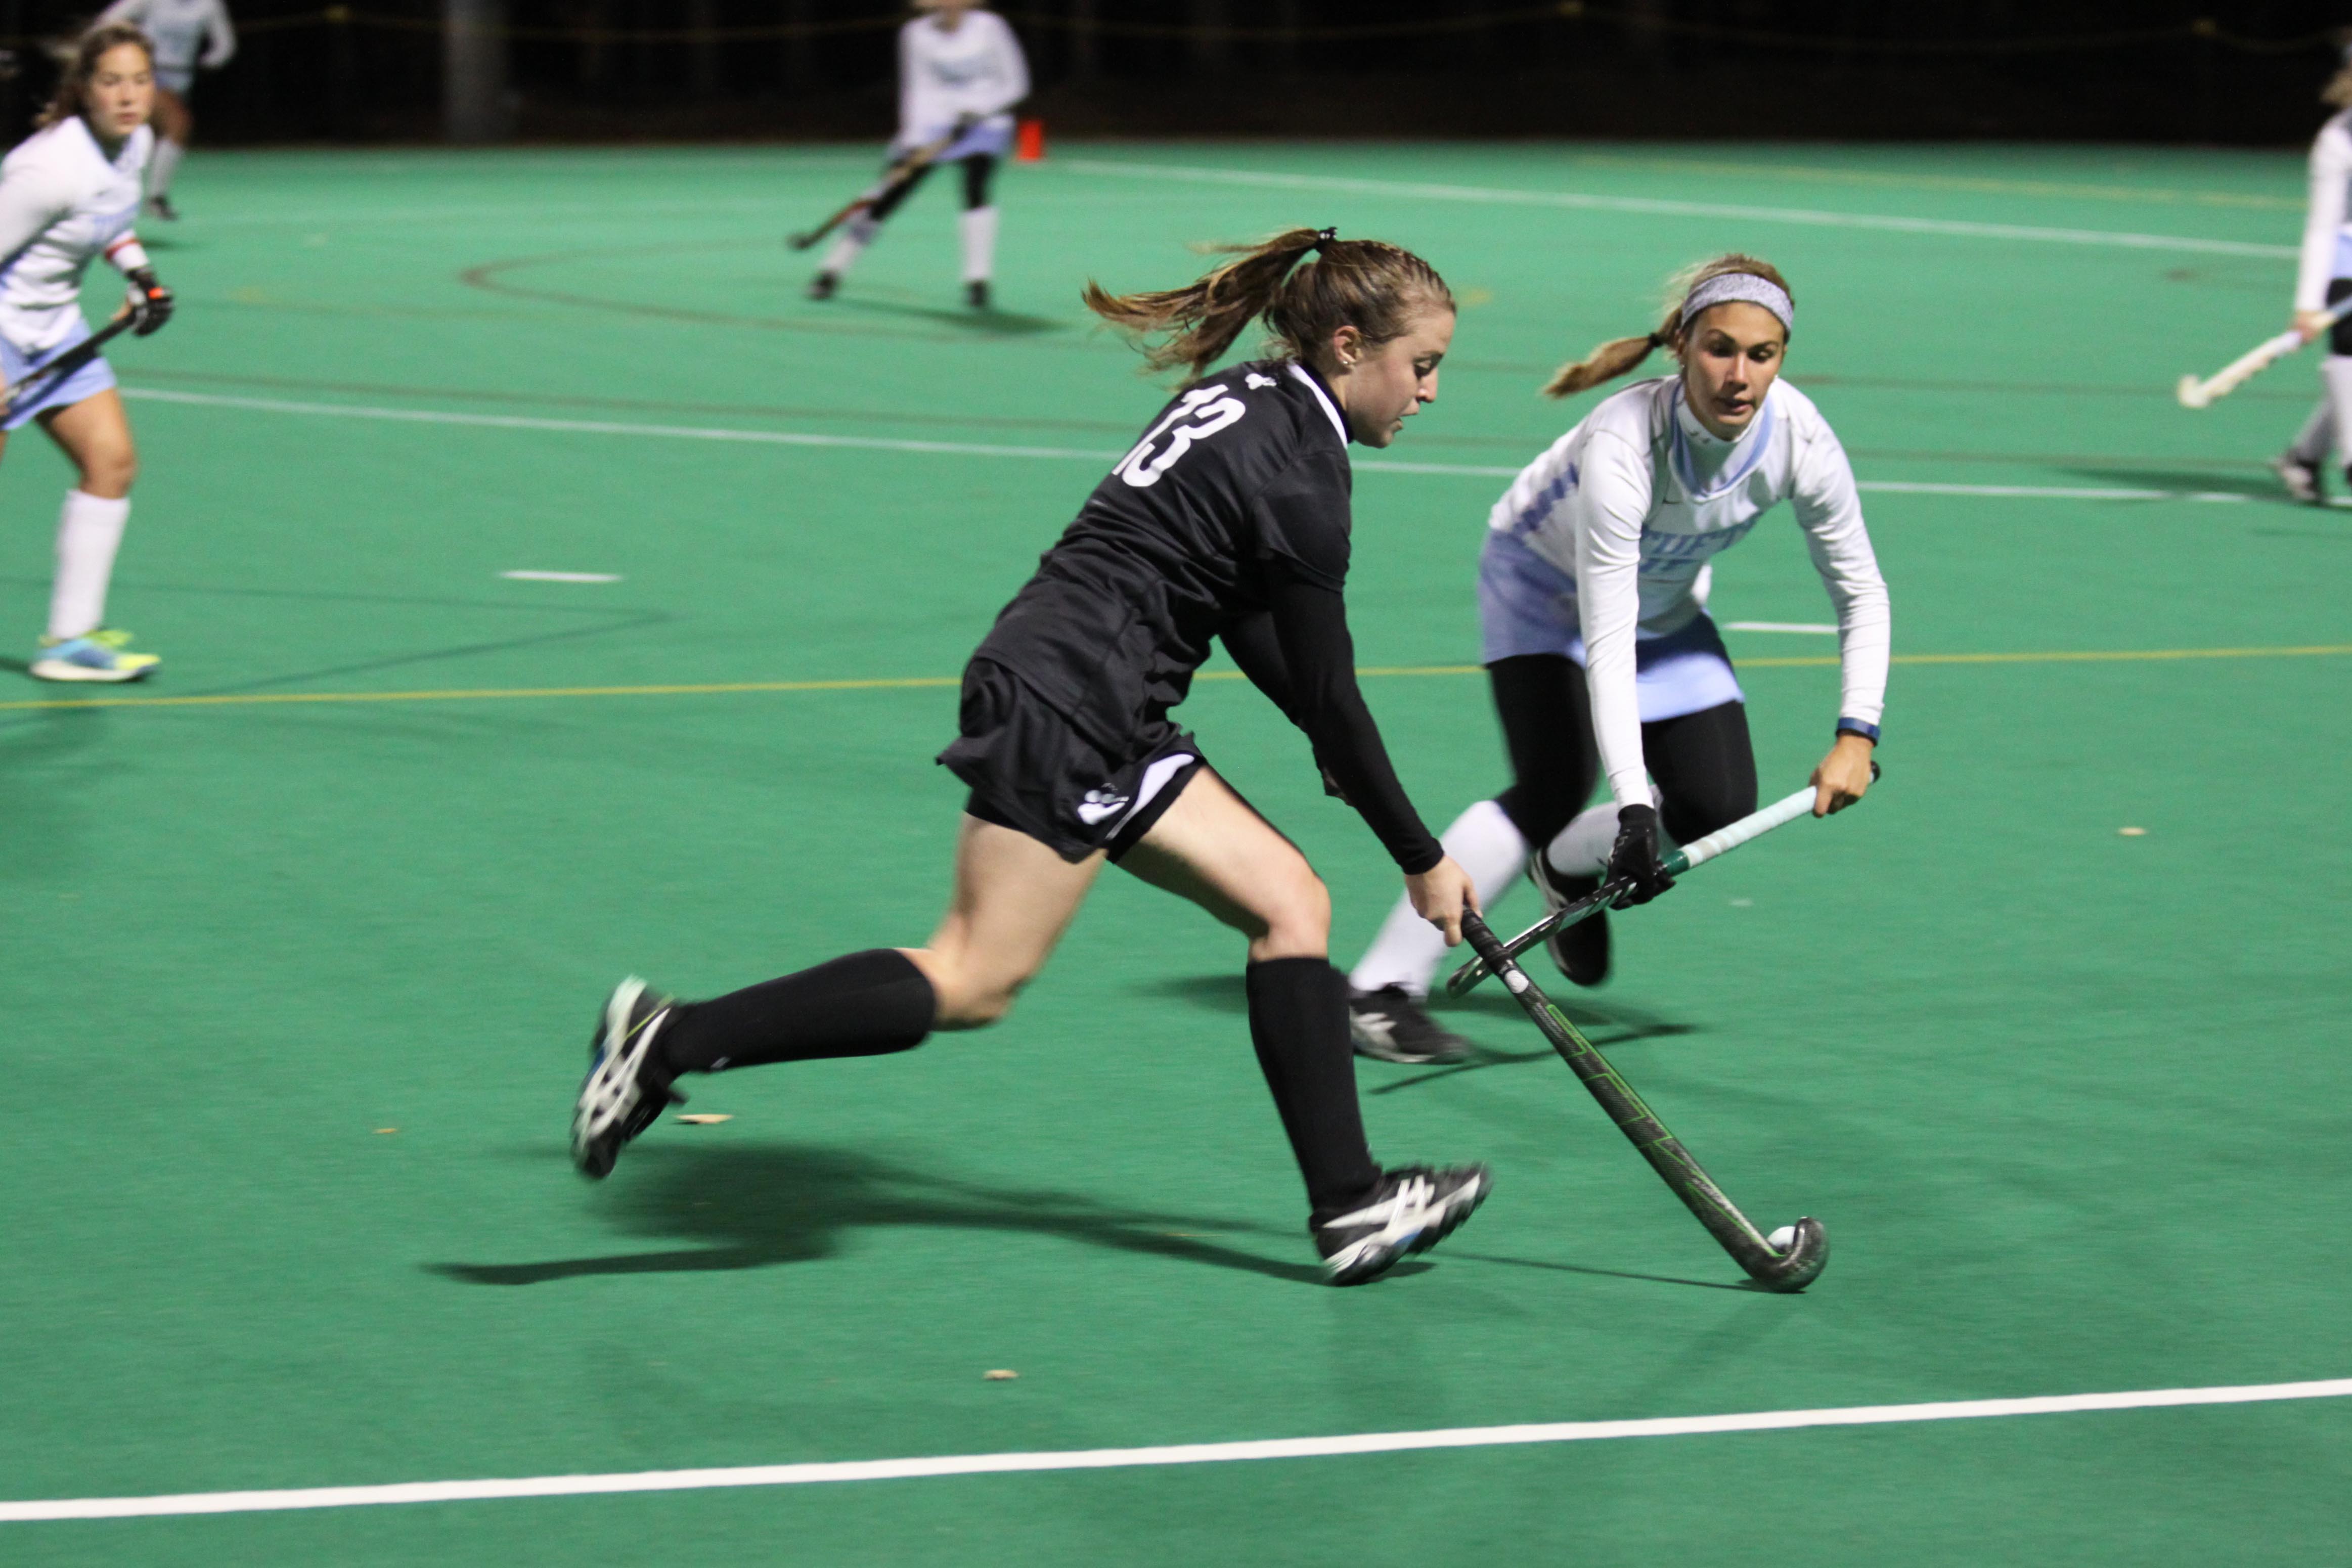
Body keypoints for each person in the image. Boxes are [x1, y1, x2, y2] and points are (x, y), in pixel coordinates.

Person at [579, 228, 1491, 1285]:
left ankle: (1350, 1204)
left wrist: (1330, 750)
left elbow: (1247, 619)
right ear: (1347, 345)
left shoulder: (1251, 394)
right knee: (973, 975)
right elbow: (1331, 688)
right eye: (1421, 366)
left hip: (1091, 686)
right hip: (1076, 699)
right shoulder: (1305, 469)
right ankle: (670, 1040)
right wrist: (1420, 855)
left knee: (1289, 900)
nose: (1428, 392)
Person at [1344, 255, 1889, 1065]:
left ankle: (1564, 867)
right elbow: (1606, 634)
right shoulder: (1624, 442)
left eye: (1761, 354)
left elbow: (1860, 589)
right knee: (1553, 782)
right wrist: (1633, 808)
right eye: (1718, 348)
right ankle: (1380, 990)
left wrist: (1857, 730)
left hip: (1662, 604)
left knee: (1713, 802)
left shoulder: (1800, 439)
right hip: (1542, 586)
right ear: (1681, 345)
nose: (1739, 376)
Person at [0, 22, 175, 683]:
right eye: (111, 83)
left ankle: (69, 642)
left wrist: (141, 276)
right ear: (84, 89)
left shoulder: (136, 144)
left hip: (55, 330)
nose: (128, 97)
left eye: (140, 80)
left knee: (113, 462)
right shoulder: (46, 171)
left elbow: (109, 220)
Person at [807, 0, 1026, 308]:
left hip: (985, 124)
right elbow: (917, 90)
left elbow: (1016, 84)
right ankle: (831, 270)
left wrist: (980, 110)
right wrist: (913, 141)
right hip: (934, 128)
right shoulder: (916, 33)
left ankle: (978, 280)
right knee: (886, 197)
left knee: (976, 189)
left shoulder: (991, 27)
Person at [2276, 41, 2352, 504]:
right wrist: (2307, 303)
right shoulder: (2335, 142)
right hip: (2349, 253)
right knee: (2349, 345)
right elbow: (2322, 227)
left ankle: (2303, 458)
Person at [94, 0, 233, 221]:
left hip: (182, 78)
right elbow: (108, 22)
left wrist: (209, 62)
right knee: (179, 124)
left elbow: (224, 46)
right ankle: (155, 197)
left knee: (139, 135)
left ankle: (109, 194)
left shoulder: (209, 5)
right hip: (148, 72)